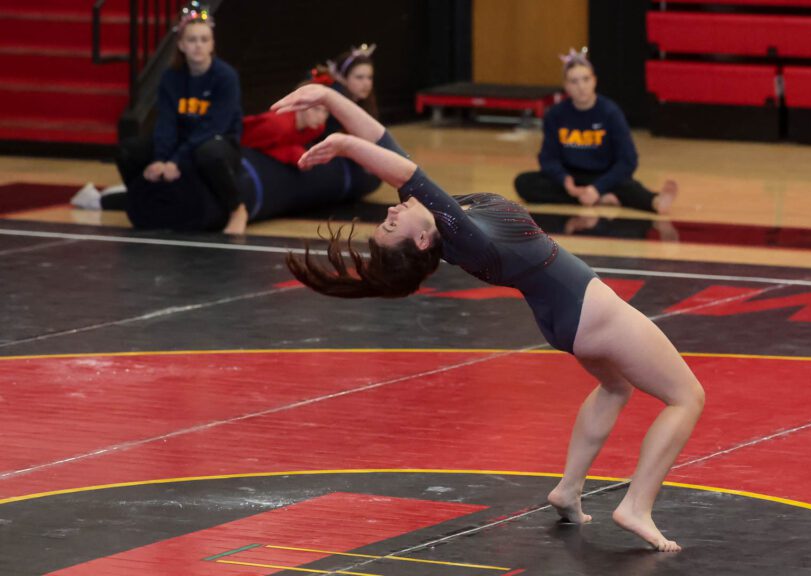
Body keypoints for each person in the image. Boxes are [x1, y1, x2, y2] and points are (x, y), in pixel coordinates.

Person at [274, 83, 705, 552]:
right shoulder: (462, 236)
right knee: (687, 396)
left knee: (615, 386)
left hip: (565, 318)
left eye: (390, 214)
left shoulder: (445, 220)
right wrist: (341, 145)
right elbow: (405, 169)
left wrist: (329, 99)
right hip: (589, 308)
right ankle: (637, 504)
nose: (395, 207)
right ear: (421, 242)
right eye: (393, 222)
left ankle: (568, 489)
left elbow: (383, 143)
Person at [73, 1, 246, 233]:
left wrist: (175, 160)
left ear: (212, 44)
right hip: (179, 142)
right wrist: (160, 158)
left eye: (204, 40)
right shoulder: (171, 77)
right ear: (182, 45)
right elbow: (166, 122)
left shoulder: (225, 77)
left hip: (217, 142)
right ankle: (141, 198)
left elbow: (215, 125)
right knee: (128, 150)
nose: (198, 46)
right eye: (192, 40)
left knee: (208, 153)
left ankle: (237, 209)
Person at [514, 48, 677, 214]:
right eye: (574, 81)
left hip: (603, 176)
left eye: (586, 79)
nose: (581, 87)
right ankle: (600, 198)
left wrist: (598, 188)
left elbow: (628, 161)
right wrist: (564, 179)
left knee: (628, 186)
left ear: (594, 81)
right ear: (566, 86)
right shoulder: (555, 114)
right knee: (524, 182)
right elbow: (547, 158)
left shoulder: (610, 112)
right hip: (571, 177)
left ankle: (654, 201)